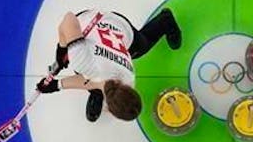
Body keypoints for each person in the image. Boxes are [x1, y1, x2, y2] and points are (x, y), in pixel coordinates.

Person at [35, 8, 182, 122]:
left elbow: (92, 81)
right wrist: (62, 47)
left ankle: (96, 93)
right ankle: (165, 20)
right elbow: (69, 19)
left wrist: (58, 84)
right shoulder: (82, 62)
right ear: (109, 110)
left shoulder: (129, 80)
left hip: (113, 35)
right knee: (141, 47)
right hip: (94, 22)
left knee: (139, 47)